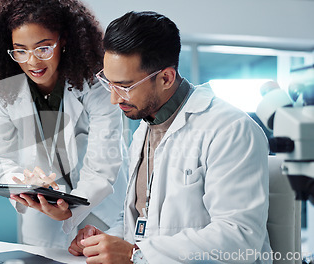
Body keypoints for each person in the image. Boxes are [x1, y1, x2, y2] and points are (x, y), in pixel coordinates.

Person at [68, 11, 271, 263]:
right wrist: (106, 241)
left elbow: (240, 239)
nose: (114, 98)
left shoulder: (230, 129)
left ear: (166, 78)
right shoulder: (144, 129)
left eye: (124, 87)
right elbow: (144, 222)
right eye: (109, 84)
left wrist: (134, 254)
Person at [0, 0, 128, 249]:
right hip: (41, 216)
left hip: (100, 208)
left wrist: (71, 209)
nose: (32, 62)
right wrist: (24, 181)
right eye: (20, 50)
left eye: (43, 48)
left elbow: (102, 164)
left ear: (63, 40)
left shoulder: (96, 87)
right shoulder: (1, 94)